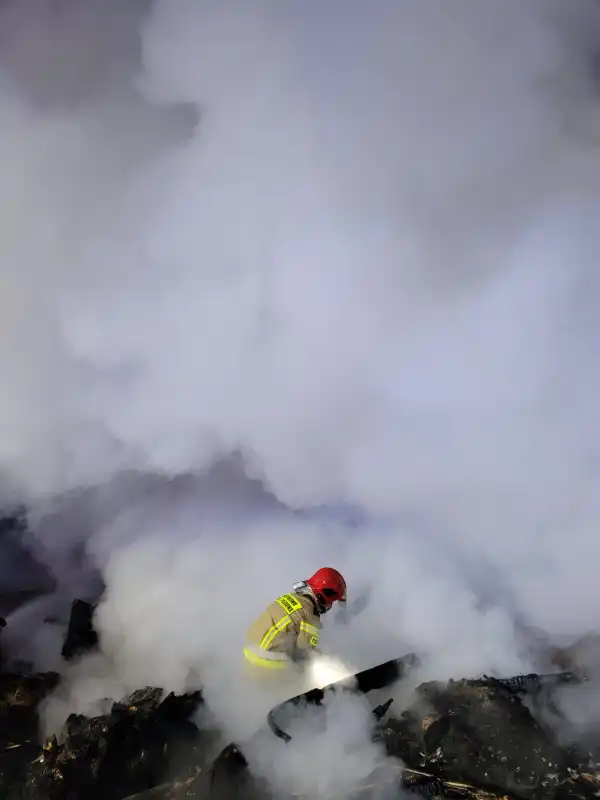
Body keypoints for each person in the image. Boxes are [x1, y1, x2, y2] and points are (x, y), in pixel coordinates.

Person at [243, 567, 347, 676]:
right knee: (301, 669)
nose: (330, 606)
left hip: (248, 653)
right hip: (266, 663)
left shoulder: (292, 597)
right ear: (323, 595)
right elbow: (305, 651)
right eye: (332, 602)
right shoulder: (310, 615)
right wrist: (324, 659)